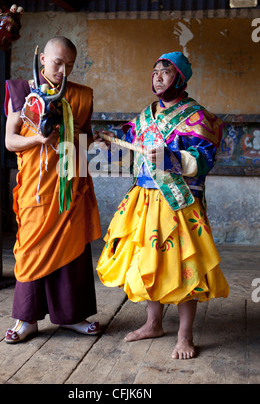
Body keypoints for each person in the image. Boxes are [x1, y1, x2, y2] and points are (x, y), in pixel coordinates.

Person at [96, 51, 229, 359]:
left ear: (179, 79)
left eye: (165, 72)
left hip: (178, 201)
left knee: (183, 267)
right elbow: (131, 154)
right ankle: (153, 323)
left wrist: (172, 159)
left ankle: (185, 336)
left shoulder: (197, 116)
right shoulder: (145, 116)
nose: (157, 76)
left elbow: (205, 159)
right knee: (149, 263)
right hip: (144, 199)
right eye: (154, 71)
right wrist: (109, 146)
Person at [4, 36, 101, 343]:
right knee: (31, 249)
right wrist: (37, 140)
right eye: (58, 63)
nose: (63, 70)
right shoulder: (21, 93)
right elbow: (11, 141)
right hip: (35, 186)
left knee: (72, 250)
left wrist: (95, 144)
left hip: (68, 184)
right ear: (42, 58)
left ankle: (72, 317)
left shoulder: (81, 96)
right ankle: (27, 319)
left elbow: (83, 141)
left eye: (69, 65)